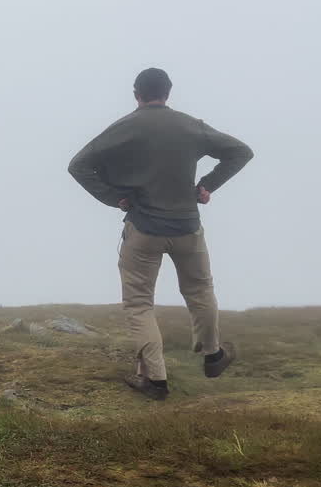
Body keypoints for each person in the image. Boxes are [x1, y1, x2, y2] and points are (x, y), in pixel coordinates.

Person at [68, 68, 253, 400]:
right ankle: (213, 356)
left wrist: (114, 198)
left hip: (143, 230)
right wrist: (208, 185)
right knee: (200, 291)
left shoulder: (123, 128)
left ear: (136, 93)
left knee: (139, 304)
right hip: (187, 227)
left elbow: (78, 165)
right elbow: (241, 151)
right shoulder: (190, 125)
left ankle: (155, 381)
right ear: (168, 93)